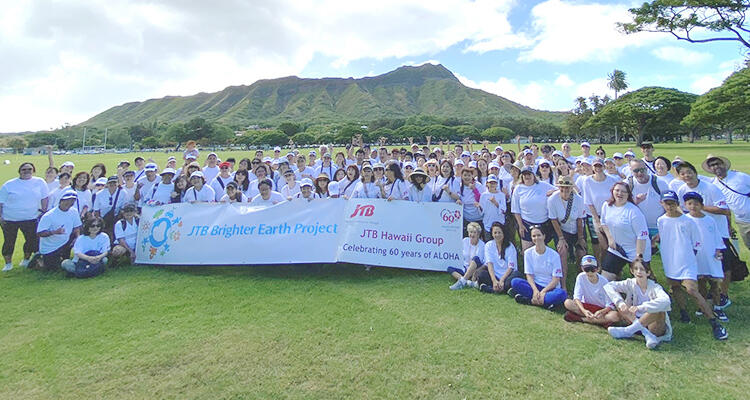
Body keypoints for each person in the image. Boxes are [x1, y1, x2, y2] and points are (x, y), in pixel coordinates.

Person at [654, 191, 728, 340]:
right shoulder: (661, 220)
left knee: (692, 290)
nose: (670, 206)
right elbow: (664, 237)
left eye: (672, 203)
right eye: (666, 203)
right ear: (662, 203)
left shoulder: (688, 222)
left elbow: (697, 244)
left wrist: (688, 258)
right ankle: (683, 313)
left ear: (677, 204)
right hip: (670, 262)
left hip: (686, 263)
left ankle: (714, 323)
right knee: (675, 287)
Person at [675, 161, 733, 308]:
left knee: (723, 265)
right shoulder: (682, 189)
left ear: (695, 172)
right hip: (697, 234)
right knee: (701, 265)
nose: (686, 176)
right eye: (682, 173)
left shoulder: (710, 188)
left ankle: (723, 294)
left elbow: (724, 209)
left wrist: (700, 207)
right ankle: (707, 295)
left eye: (689, 172)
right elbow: (682, 209)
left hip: (718, 231)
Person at [604, 259, 672, 349]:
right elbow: (608, 286)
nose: (639, 272)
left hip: (653, 326)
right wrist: (620, 302)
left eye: (642, 269)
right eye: (636, 269)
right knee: (621, 304)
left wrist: (641, 307)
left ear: (648, 273)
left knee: (658, 309)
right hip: (632, 319)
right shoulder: (630, 283)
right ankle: (646, 334)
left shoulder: (655, 287)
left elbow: (666, 301)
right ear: (632, 271)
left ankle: (628, 331)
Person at [684, 191, 728, 321]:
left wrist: (719, 250)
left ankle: (718, 307)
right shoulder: (685, 220)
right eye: (690, 204)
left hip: (711, 256)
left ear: (701, 205)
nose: (693, 206)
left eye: (696, 204)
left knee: (714, 284)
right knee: (700, 283)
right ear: (686, 205)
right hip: (696, 257)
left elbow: (716, 237)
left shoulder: (709, 220)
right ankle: (702, 307)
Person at [0, 162, 50, 271]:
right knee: (9, 241)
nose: (27, 171)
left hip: (30, 218)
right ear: (19, 171)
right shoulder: (9, 185)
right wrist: (1, 217)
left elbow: (45, 198)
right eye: (24, 169)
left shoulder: (40, 182)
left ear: (33, 170)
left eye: (30, 169)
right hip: (10, 219)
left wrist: (44, 211)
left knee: (30, 240)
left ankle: (26, 259)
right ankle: (8, 264)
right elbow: (1, 202)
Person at [599, 182, 651, 281]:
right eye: (617, 190)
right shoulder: (606, 205)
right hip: (617, 249)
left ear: (628, 195)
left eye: (624, 192)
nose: (620, 194)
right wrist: (610, 239)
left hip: (636, 251)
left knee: (643, 282)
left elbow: (642, 236)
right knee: (605, 280)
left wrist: (638, 257)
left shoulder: (634, 212)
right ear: (612, 191)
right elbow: (604, 223)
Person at [508, 225, 567, 309]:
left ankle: (531, 301)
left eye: (539, 235)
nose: (536, 238)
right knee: (515, 282)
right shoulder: (528, 253)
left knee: (561, 294)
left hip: (550, 289)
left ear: (544, 236)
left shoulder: (554, 255)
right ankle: (545, 303)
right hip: (535, 286)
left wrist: (543, 291)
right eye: (534, 236)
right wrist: (535, 290)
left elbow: (556, 279)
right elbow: (529, 275)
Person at [703, 154, 750, 250]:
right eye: (712, 165)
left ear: (724, 164)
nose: (715, 167)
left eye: (717, 163)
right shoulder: (715, 185)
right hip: (742, 222)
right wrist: (729, 225)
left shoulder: (740, 176)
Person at [547, 175, 587, 285]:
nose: (565, 190)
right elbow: (553, 220)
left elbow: (580, 220)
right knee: (562, 251)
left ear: (571, 188)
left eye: (567, 188)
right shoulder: (552, 200)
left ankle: (582, 282)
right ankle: (563, 284)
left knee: (581, 252)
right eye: (562, 188)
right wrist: (561, 238)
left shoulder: (578, 199)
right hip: (562, 230)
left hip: (576, 229)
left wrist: (581, 238)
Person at [582, 158, 620, 262]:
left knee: (611, 242)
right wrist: (598, 221)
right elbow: (589, 202)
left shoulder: (612, 180)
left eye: (600, 166)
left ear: (604, 167)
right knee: (599, 242)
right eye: (595, 166)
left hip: (611, 215)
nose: (598, 168)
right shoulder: (587, 181)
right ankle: (598, 262)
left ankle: (610, 264)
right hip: (595, 215)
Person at [563, 255, 618, 326]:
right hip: (585, 306)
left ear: (598, 269)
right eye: (587, 269)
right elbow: (577, 297)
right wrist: (584, 311)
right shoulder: (580, 277)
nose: (590, 272)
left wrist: (602, 311)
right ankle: (600, 321)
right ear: (582, 268)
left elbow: (610, 304)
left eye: (592, 269)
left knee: (615, 315)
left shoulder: (604, 281)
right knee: (567, 302)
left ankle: (581, 319)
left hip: (600, 309)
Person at [34, 191, 81, 271]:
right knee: (52, 268)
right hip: (50, 247)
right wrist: (54, 232)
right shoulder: (49, 216)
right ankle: (39, 259)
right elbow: (39, 233)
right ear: (61, 201)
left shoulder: (74, 212)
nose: (69, 203)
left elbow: (77, 227)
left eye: (72, 201)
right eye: (67, 200)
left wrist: (78, 238)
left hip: (65, 242)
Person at [511, 167, 555, 251]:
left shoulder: (543, 185)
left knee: (542, 249)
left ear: (533, 175)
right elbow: (515, 209)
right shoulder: (518, 188)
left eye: (529, 174)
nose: (527, 176)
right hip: (526, 223)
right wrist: (520, 225)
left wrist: (552, 192)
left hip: (543, 222)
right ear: (522, 176)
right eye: (524, 175)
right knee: (527, 251)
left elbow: (558, 189)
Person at [627, 159, 669, 241]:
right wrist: (636, 202)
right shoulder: (628, 185)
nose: (640, 173)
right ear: (631, 171)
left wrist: (663, 229)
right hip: (638, 229)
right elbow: (624, 208)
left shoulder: (660, 183)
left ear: (646, 168)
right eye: (636, 171)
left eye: (642, 170)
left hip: (658, 228)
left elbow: (669, 206)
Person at [477, 222, 523, 294]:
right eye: (495, 233)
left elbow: (511, 267)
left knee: (516, 276)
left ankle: (492, 289)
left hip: (507, 276)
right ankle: (502, 289)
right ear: (492, 234)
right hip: (495, 275)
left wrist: (502, 280)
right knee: (481, 274)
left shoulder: (510, 246)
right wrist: (494, 280)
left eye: (499, 232)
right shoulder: (488, 245)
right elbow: (489, 264)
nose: (497, 235)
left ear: (503, 234)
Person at [448, 222, 484, 290]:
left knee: (475, 258)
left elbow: (482, 261)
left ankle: (461, 282)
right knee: (450, 268)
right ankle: (468, 282)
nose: (472, 234)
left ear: (478, 234)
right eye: (470, 232)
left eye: (474, 232)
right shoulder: (465, 241)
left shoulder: (482, 245)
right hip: (465, 267)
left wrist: (475, 272)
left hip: (476, 268)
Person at [478, 175, 506, 241]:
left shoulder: (501, 195)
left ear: (497, 184)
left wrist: (495, 203)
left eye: (494, 183)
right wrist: (479, 207)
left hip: (499, 223)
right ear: (487, 184)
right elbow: (481, 212)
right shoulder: (483, 195)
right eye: (490, 183)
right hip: (487, 224)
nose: (492, 185)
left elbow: (504, 210)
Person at [456, 168, 484, 233]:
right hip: (466, 219)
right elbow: (457, 197)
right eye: (465, 175)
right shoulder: (459, 186)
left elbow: (482, 199)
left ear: (472, 176)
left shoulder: (478, 185)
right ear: (461, 176)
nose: (467, 177)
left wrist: (474, 190)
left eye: (469, 175)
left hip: (479, 218)